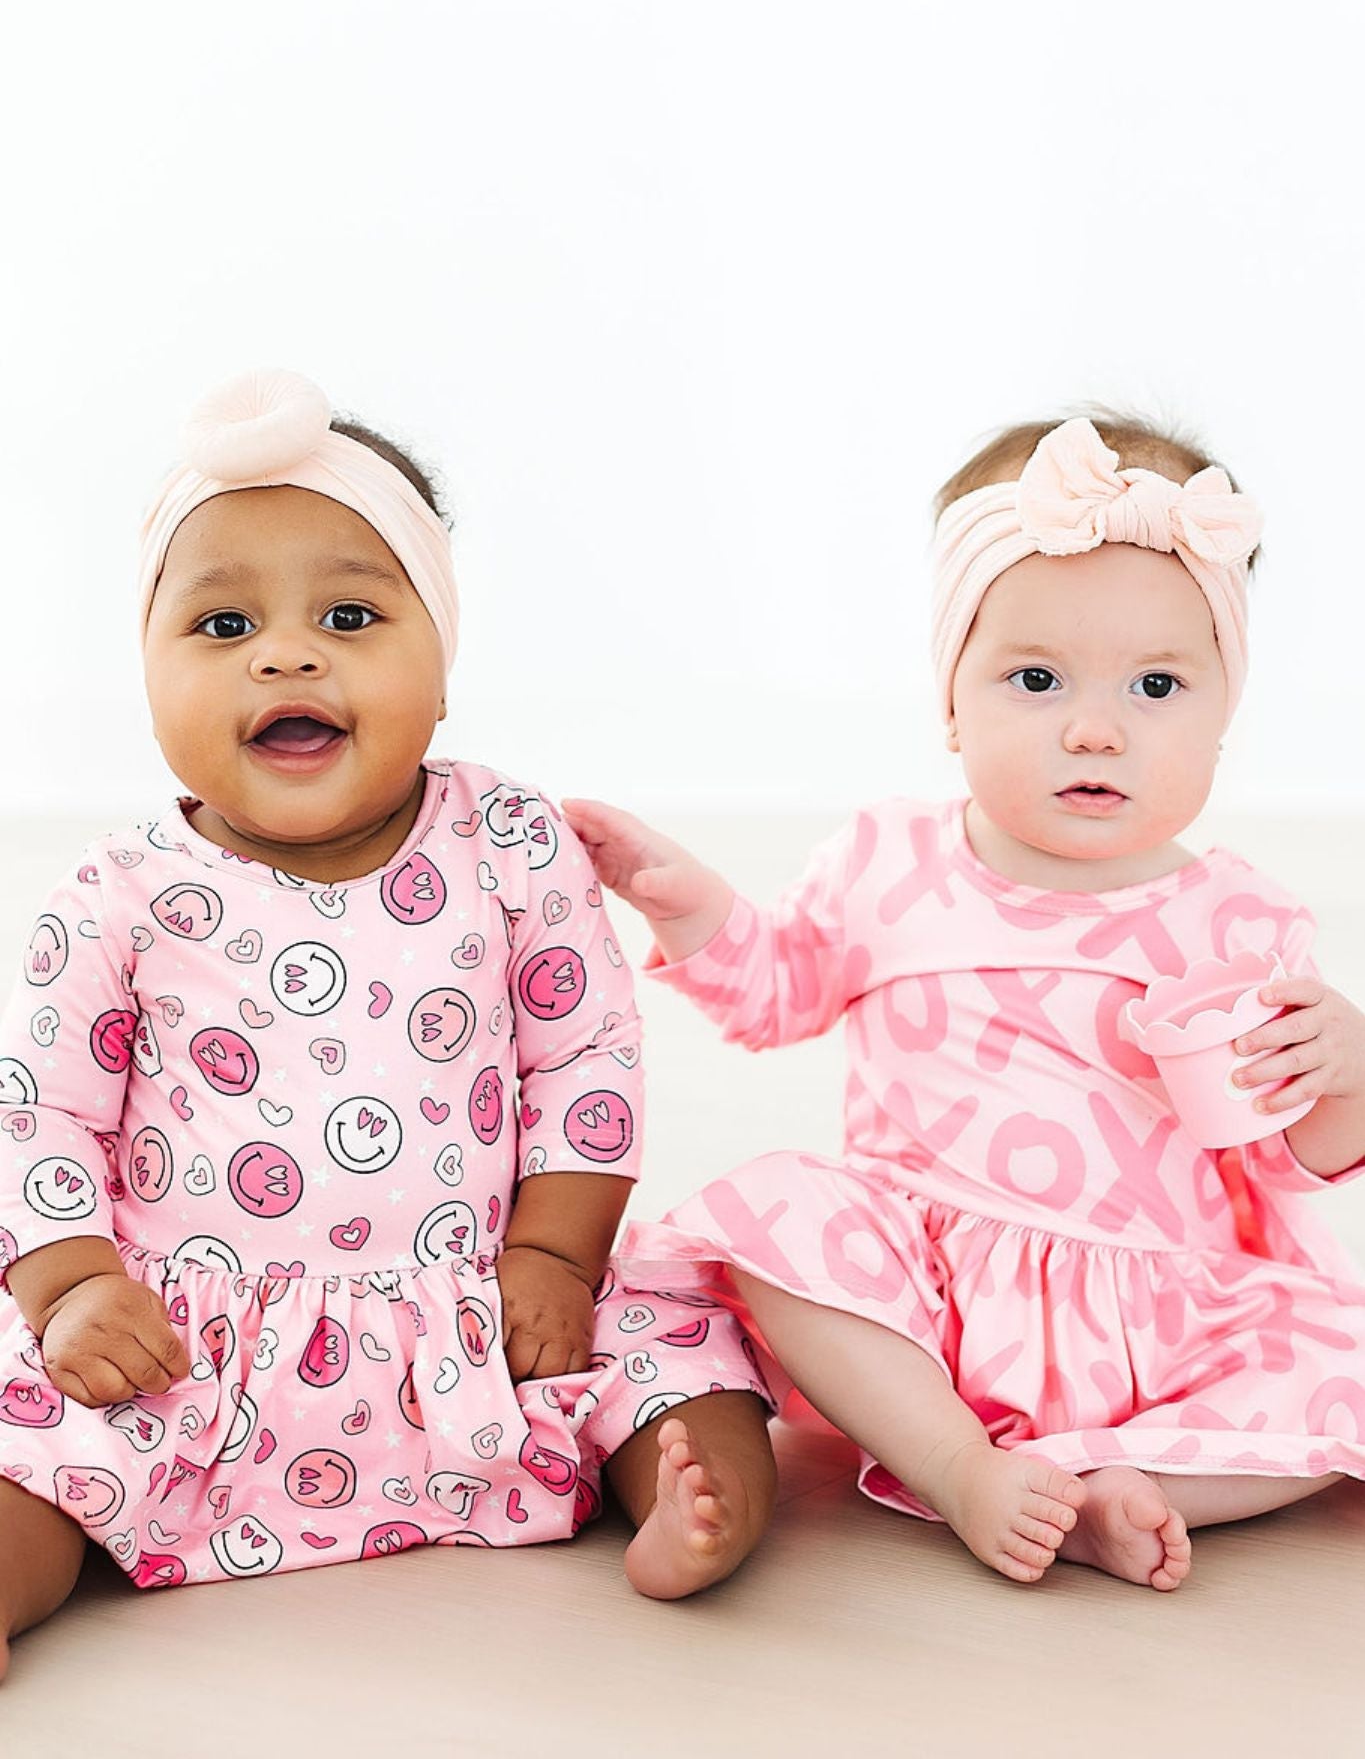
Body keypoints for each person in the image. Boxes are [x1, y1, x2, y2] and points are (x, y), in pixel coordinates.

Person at [0, 368, 777, 1670]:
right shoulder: (117, 894)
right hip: (191, 1334)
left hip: (481, 1304)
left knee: (680, 1346)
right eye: (223, 624)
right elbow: (38, 1113)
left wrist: (557, 1254)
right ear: (144, 673)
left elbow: (585, 1056)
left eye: (351, 615)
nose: (285, 654)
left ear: (443, 665)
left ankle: (698, 1503)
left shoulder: (509, 839)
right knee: (43, 1426)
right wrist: (77, 1285)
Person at [567, 412, 1365, 1593]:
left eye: (1156, 685)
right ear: (951, 702)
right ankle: (957, 1461)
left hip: (1154, 1312)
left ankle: (1108, 1479)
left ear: (1223, 716)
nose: (1095, 727)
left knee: (1341, 1368)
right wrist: (687, 903)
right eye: (1035, 679)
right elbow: (777, 989)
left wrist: (1346, 1072)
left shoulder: (1239, 920)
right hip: (926, 1291)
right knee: (774, 1212)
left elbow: (1291, 1157)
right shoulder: (892, 861)